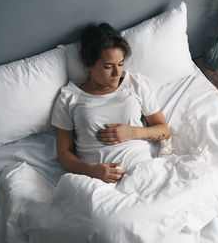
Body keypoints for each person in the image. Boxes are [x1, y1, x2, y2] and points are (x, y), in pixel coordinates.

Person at [52, 23, 170, 183]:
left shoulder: (136, 84)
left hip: (142, 170)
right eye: (108, 67)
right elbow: (64, 153)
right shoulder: (69, 97)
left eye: (120, 64)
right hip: (97, 180)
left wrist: (133, 132)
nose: (117, 73)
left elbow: (163, 130)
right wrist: (91, 170)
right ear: (88, 64)